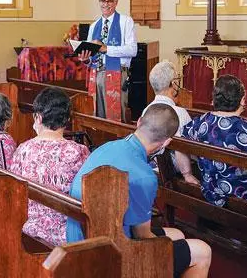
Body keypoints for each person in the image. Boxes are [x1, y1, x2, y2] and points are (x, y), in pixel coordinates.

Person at [66, 104, 212, 278]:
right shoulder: (144, 176)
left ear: (139, 122)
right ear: (166, 142)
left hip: (80, 243)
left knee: (178, 235)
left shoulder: (106, 147)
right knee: (202, 251)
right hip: (115, 256)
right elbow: (142, 236)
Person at [182, 75, 247, 209]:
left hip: (212, 192)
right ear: (242, 100)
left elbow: (180, 140)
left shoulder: (200, 123)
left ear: (214, 99)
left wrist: (187, 174)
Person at [9, 87, 89, 246]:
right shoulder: (77, 152)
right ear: (67, 119)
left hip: (28, 226)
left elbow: (13, 190)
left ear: (38, 117)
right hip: (65, 233)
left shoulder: (23, 149)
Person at [78, 0, 137, 122]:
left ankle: (116, 142)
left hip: (117, 74)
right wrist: (86, 59)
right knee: (97, 115)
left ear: (116, 2)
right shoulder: (94, 26)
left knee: (116, 118)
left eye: (109, 1)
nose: (105, 4)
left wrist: (107, 49)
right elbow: (90, 56)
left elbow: (132, 50)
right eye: (102, 1)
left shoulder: (126, 21)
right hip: (96, 74)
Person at [142, 60, 197, 184]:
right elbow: (184, 147)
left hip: (149, 163)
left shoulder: (146, 110)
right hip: (170, 171)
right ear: (173, 84)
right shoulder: (179, 113)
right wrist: (187, 175)